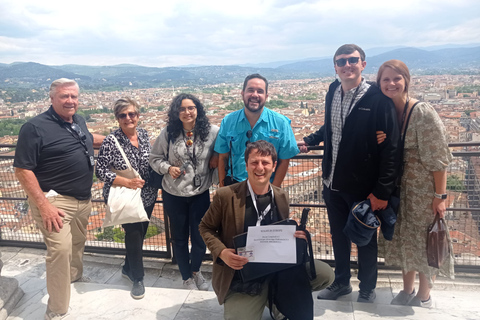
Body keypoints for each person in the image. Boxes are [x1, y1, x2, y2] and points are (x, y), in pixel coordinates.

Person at [297, 44, 399, 303]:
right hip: (332, 182)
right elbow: (331, 127)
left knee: (365, 239)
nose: (347, 65)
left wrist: (381, 191)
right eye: (341, 61)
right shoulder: (333, 90)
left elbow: (391, 151)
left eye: (353, 60)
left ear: (363, 64)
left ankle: (367, 288)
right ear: (335, 67)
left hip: (363, 187)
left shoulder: (377, 99)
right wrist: (309, 140)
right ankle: (341, 283)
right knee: (338, 236)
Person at [199, 140, 334, 319]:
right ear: (246, 165)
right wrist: (222, 252)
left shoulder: (280, 195)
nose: (260, 168)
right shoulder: (226, 196)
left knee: (326, 274)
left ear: (274, 166)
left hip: (276, 268)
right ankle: (265, 297)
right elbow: (205, 227)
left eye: (265, 163)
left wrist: (297, 237)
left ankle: (276, 299)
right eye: (254, 162)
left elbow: (281, 232)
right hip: (242, 272)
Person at [13, 78, 104, 319]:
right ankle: (56, 310)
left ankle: (74, 277)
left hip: (83, 199)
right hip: (54, 201)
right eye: (65, 96)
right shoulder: (34, 127)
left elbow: (87, 137)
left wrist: (116, 140)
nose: (70, 101)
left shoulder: (78, 121)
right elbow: (22, 169)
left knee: (77, 243)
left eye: (74, 96)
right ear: (52, 98)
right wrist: (44, 205)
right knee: (60, 251)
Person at [376, 60, 454, 308]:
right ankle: (406, 289)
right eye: (385, 79)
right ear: (379, 83)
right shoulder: (388, 112)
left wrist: (439, 196)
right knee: (403, 238)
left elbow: (439, 159)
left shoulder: (422, 111)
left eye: (396, 78)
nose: (391, 84)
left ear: (406, 81)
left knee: (423, 240)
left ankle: (424, 294)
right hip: (400, 189)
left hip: (422, 190)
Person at [149, 93, 219, 290]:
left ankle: (196, 272)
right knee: (179, 238)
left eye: (191, 108)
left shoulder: (212, 132)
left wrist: (216, 156)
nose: (187, 112)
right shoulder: (168, 133)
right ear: (176, 112)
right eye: (182, 109)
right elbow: (154, 158)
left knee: (200, 236)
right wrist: (167, 168)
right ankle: (186, 277)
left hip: (200, 192)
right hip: (173, 193)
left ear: (198, 110)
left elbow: (224, 150)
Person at [95, 97, 158, 300]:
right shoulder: (111, 141)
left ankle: (126, 267)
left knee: (140, 232)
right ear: (117, 118)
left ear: (138, 116)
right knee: (133, 234)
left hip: (147, 194)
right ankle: (137, 278)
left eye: (132, 114)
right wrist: (125, 181)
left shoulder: (144, 134)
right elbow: (100, 171)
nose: (128, 118)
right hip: (125, 195)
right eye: (123, 115)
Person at [215, 73, 299, 187]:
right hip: (234, 185)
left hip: (266, 187)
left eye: (260, 91)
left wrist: (274, 190)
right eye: (250, 90)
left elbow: (284, 160)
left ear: (266, 96)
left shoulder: (281, 123)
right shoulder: (228, 121)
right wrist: (222, 188)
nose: (255, 95)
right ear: (242, 94)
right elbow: (223, 157)